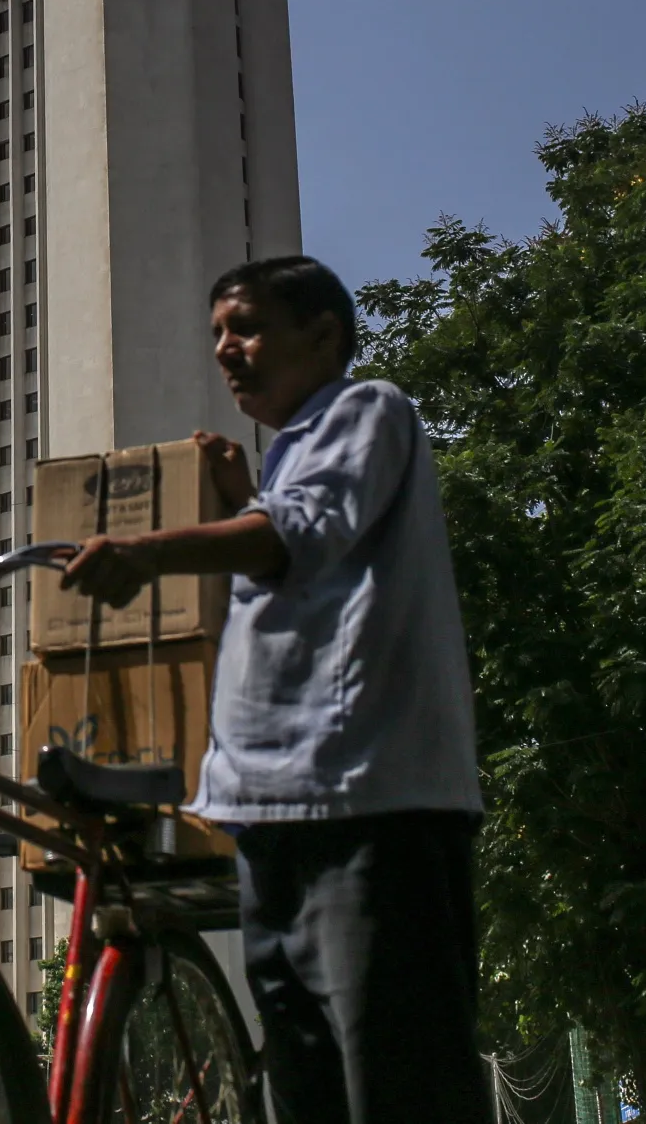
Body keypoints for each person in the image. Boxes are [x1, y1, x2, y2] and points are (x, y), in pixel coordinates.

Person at [60, 255, 487, 1124]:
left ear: (322, 335)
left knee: (397, 1080)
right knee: (305, 1085)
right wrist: (243, 496)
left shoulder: (369, 409)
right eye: (217, 333)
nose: (225, 351)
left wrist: (149, 553)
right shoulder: (292, 457)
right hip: (273, 813)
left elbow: (302, 535)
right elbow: (304, 559)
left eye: (246, 327)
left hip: (368, 807)